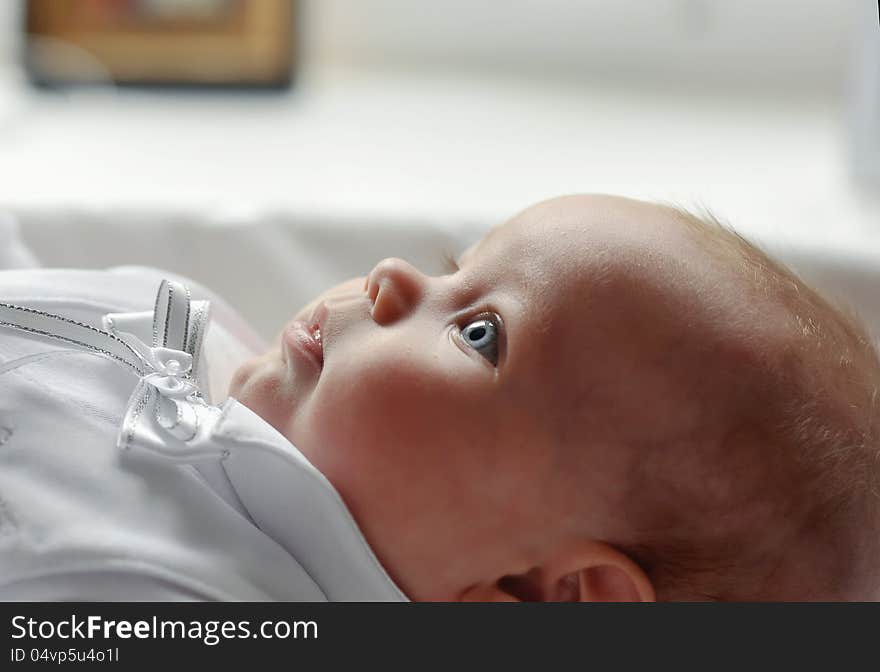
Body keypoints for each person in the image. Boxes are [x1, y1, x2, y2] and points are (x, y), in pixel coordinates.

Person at [2, 194, 879, 601]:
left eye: (481, 332)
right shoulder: (232, 362)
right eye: (454, 271)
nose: (391, 277)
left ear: (561, 598)